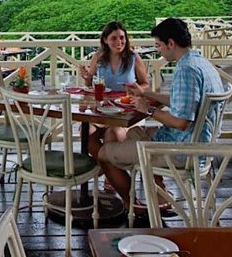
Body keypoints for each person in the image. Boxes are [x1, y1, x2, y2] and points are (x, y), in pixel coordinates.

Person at [97, 17, 224, 217]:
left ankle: (134, 205)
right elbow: (182, 101)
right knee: (129, 133)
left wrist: (149, 110)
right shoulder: (200, 62)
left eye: (158, 45)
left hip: (180, 149)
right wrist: (144, 93)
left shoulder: (186, 70)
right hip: (199, 143)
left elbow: (181, 122)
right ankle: (160, 197)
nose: (158, 50)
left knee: (104, 153)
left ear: (170, 43)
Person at [79, 21, 150, 162]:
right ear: (105, 40)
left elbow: (146, 84)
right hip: (102, 110)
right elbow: (90, 84)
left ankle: (108, 174)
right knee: (85, 133)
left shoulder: (133, 57)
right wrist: (87, 78)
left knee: (112, 134)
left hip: (127, 112)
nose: (119, 42)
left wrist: (137, 89)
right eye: (114, 38)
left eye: (122, 38)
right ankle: (107, 168)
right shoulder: (98, 57)